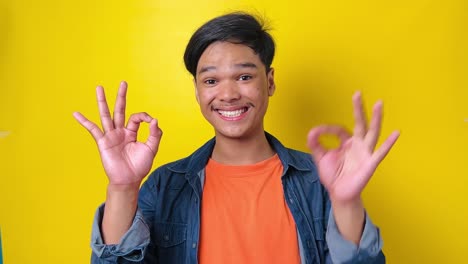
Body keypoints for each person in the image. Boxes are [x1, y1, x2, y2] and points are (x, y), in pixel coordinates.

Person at [73, 12, 399, 264]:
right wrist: (122, 188)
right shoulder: (163, 187)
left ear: (269, 82)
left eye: (244, 76)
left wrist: (346, 202)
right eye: (211, 80)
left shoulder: (319, 181)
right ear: (198, 91)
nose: (228, 94)